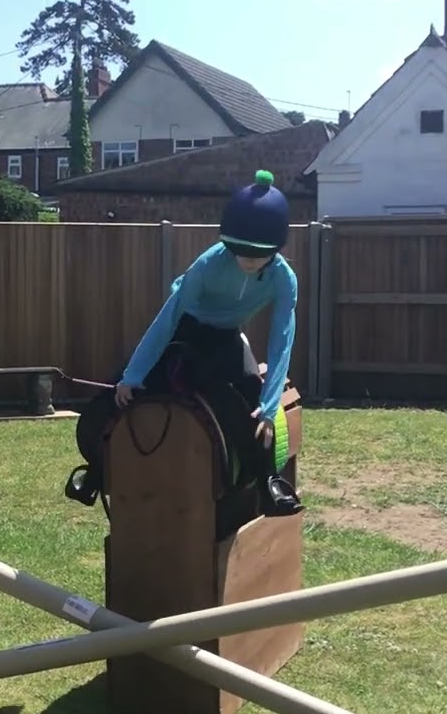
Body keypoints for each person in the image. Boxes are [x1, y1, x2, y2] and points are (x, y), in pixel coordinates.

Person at [65, 169, 304, 515]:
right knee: (113, 394)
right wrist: (133, 374)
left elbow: (282, 339)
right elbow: (168, 317)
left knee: (250, 403)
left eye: (259, 253)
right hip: (185, 328)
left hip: (226, 338)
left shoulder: (284, 279)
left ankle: (269, 484)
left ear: (277, 249)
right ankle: (96, 473)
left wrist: (268, 407)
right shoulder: (208, 264)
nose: (249, 260)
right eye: (240, 250)